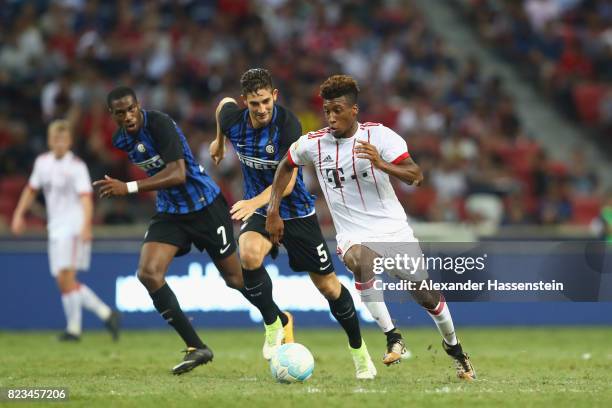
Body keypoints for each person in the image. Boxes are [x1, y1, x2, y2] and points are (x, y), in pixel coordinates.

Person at [266, 75, 476, 381]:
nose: (331, 117)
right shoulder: (313, 144)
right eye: (327, 111)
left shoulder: (380, 137)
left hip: (393, 230)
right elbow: (285, 164)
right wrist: (273, 210)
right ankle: (393, 337)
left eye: (338, 110)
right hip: (353, 233)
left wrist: (382, 164)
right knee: (359, 260)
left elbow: (415, 175)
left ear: (354, 110)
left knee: (426, 295)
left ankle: (455, 349)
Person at [210, 68, 406, 379]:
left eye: (265, 101)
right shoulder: (234, 120)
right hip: (262, 211)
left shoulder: (287, 124)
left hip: (296, 212)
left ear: (274, 96)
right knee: (247, 254)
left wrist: (254, 203)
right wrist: (219, 142)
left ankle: (360, 354)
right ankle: (275, 323)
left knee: (329, 287)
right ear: (245, 102)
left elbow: (286, 184)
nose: (261, 109)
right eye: (254, 104)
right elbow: (222, 106)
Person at [96, 86, 244, 375]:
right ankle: (196, 347)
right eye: (120, 112)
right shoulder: (121, 140)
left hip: (204, 206)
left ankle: (277, 318)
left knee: (236, 280)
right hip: (172, 212)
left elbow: (178, 173)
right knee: (148, 273)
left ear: (139, 106)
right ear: (111, 115)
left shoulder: (159, 124)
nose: (127, 116)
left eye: (131, 109)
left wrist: (128, 187)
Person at [11, 119, 121, 342]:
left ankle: (79, 326)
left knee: (66, 278)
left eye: (63, 139)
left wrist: (86, 226)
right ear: (50, 141)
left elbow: (86, 199)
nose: (59, 143)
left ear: (69, 141)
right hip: (55, 228)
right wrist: (18, 214)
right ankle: (99, 317)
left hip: (72, 227)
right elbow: (31, 190)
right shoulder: (43, 163)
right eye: (55, 139)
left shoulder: (77, 166)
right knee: (64, 280)